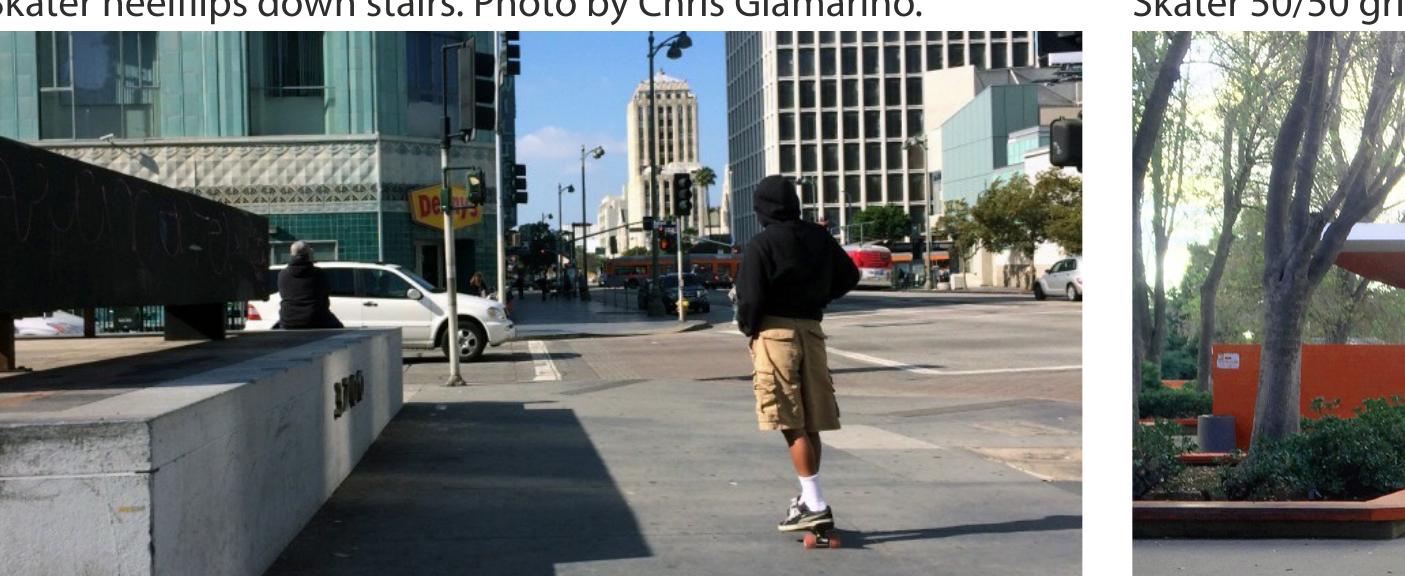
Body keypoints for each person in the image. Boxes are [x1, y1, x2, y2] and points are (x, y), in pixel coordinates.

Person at [735, 175, 860, 533]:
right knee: (811, 419)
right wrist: (820, 296)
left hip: (775, 333)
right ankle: (808, 498)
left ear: (762, 208)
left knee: (790, 420)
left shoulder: (762, 244)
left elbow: (751, 298)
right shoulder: (818, 237)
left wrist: (749, 328)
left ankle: (815, 503)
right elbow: (849, 275)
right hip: (812, 330)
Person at [277, 241, 343, 329]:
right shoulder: (318, 274)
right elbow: (325, 295)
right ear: (308, 255)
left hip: (288, 320)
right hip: (315, 318)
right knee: (340, 330)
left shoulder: (283, 274)